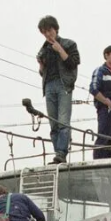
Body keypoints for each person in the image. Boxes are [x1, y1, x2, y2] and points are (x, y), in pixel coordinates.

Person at [35, 15, 80, 164]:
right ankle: (58, 153)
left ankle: (61, 152)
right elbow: (43, 73)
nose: (48, 34)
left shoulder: (69, 44)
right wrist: (41, 65)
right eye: (44, 32)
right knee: (53, 123)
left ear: (56, 29)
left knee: (63, 121)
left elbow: (73, 63)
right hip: (49, 85)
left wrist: (60, 50)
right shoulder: (43, 49)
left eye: (49, 30)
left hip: (63, 85)